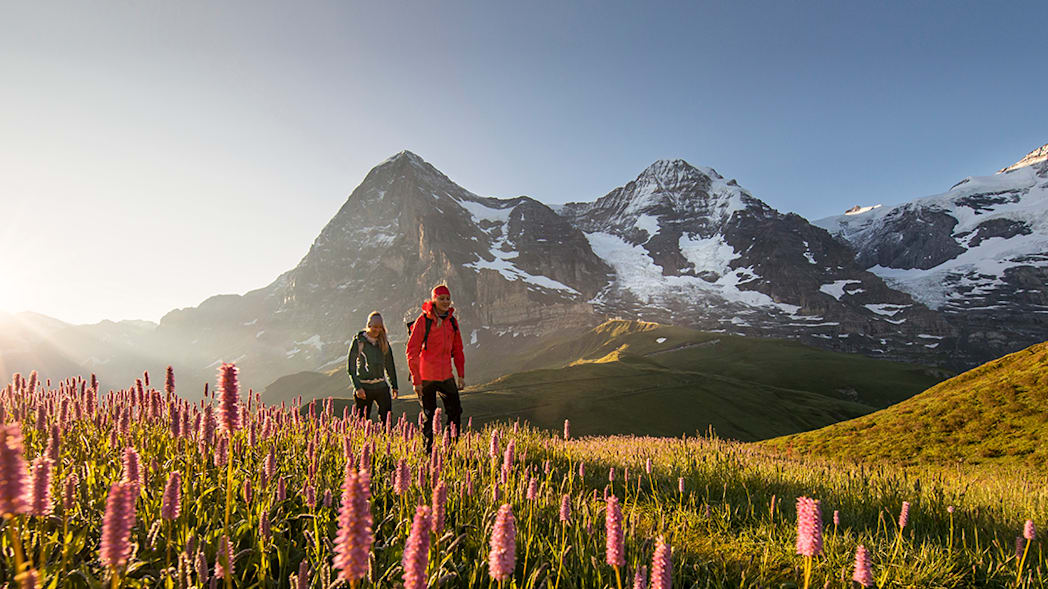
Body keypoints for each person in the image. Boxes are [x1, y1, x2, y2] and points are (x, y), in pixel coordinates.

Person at [406, 283, 465, 452]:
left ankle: (451, 449)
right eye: (441, 298)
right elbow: (412, 351)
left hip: (446, 375)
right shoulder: (423, 321)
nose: (446, 302)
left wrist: (461, 375)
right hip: (426, 377)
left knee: (455, 412)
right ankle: (428, 452)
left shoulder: (452, 322)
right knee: (429, 415)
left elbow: (458, 350)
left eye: (448, 298)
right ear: (434, 299)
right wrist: (416, 380)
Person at [347, 311, 399, 424]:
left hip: (381, 386)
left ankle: (385, 440)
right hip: (364, 387)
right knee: (361, 421)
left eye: (380, 327)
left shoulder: (384, 342)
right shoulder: (359, 341)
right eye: (375, 327)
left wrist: (394, 385)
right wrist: (357, 387)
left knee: (387, 420)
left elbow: (390, 366)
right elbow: (351, 367)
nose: (377, 330)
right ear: (369, 325)